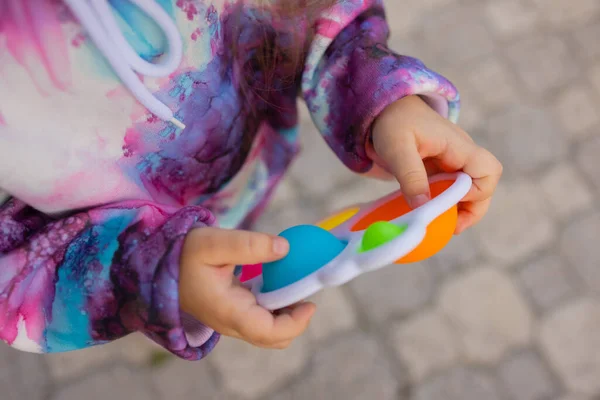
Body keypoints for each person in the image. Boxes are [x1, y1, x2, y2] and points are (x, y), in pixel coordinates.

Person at [0, 0, 502, 361]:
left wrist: (378, 92)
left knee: (243, 226)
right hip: (114, 249)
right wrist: (153, 279)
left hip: (241, 173)